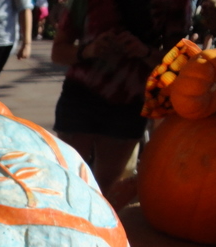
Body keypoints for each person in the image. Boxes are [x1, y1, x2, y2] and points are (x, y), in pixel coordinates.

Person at [51, 0, 190, 199]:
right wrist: (88, 50)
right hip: (80, 96)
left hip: (129, 103)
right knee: (67, 180)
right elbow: (57, 52)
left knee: (105, 190)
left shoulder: (175, 4)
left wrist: (144, 51)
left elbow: (178, 64)